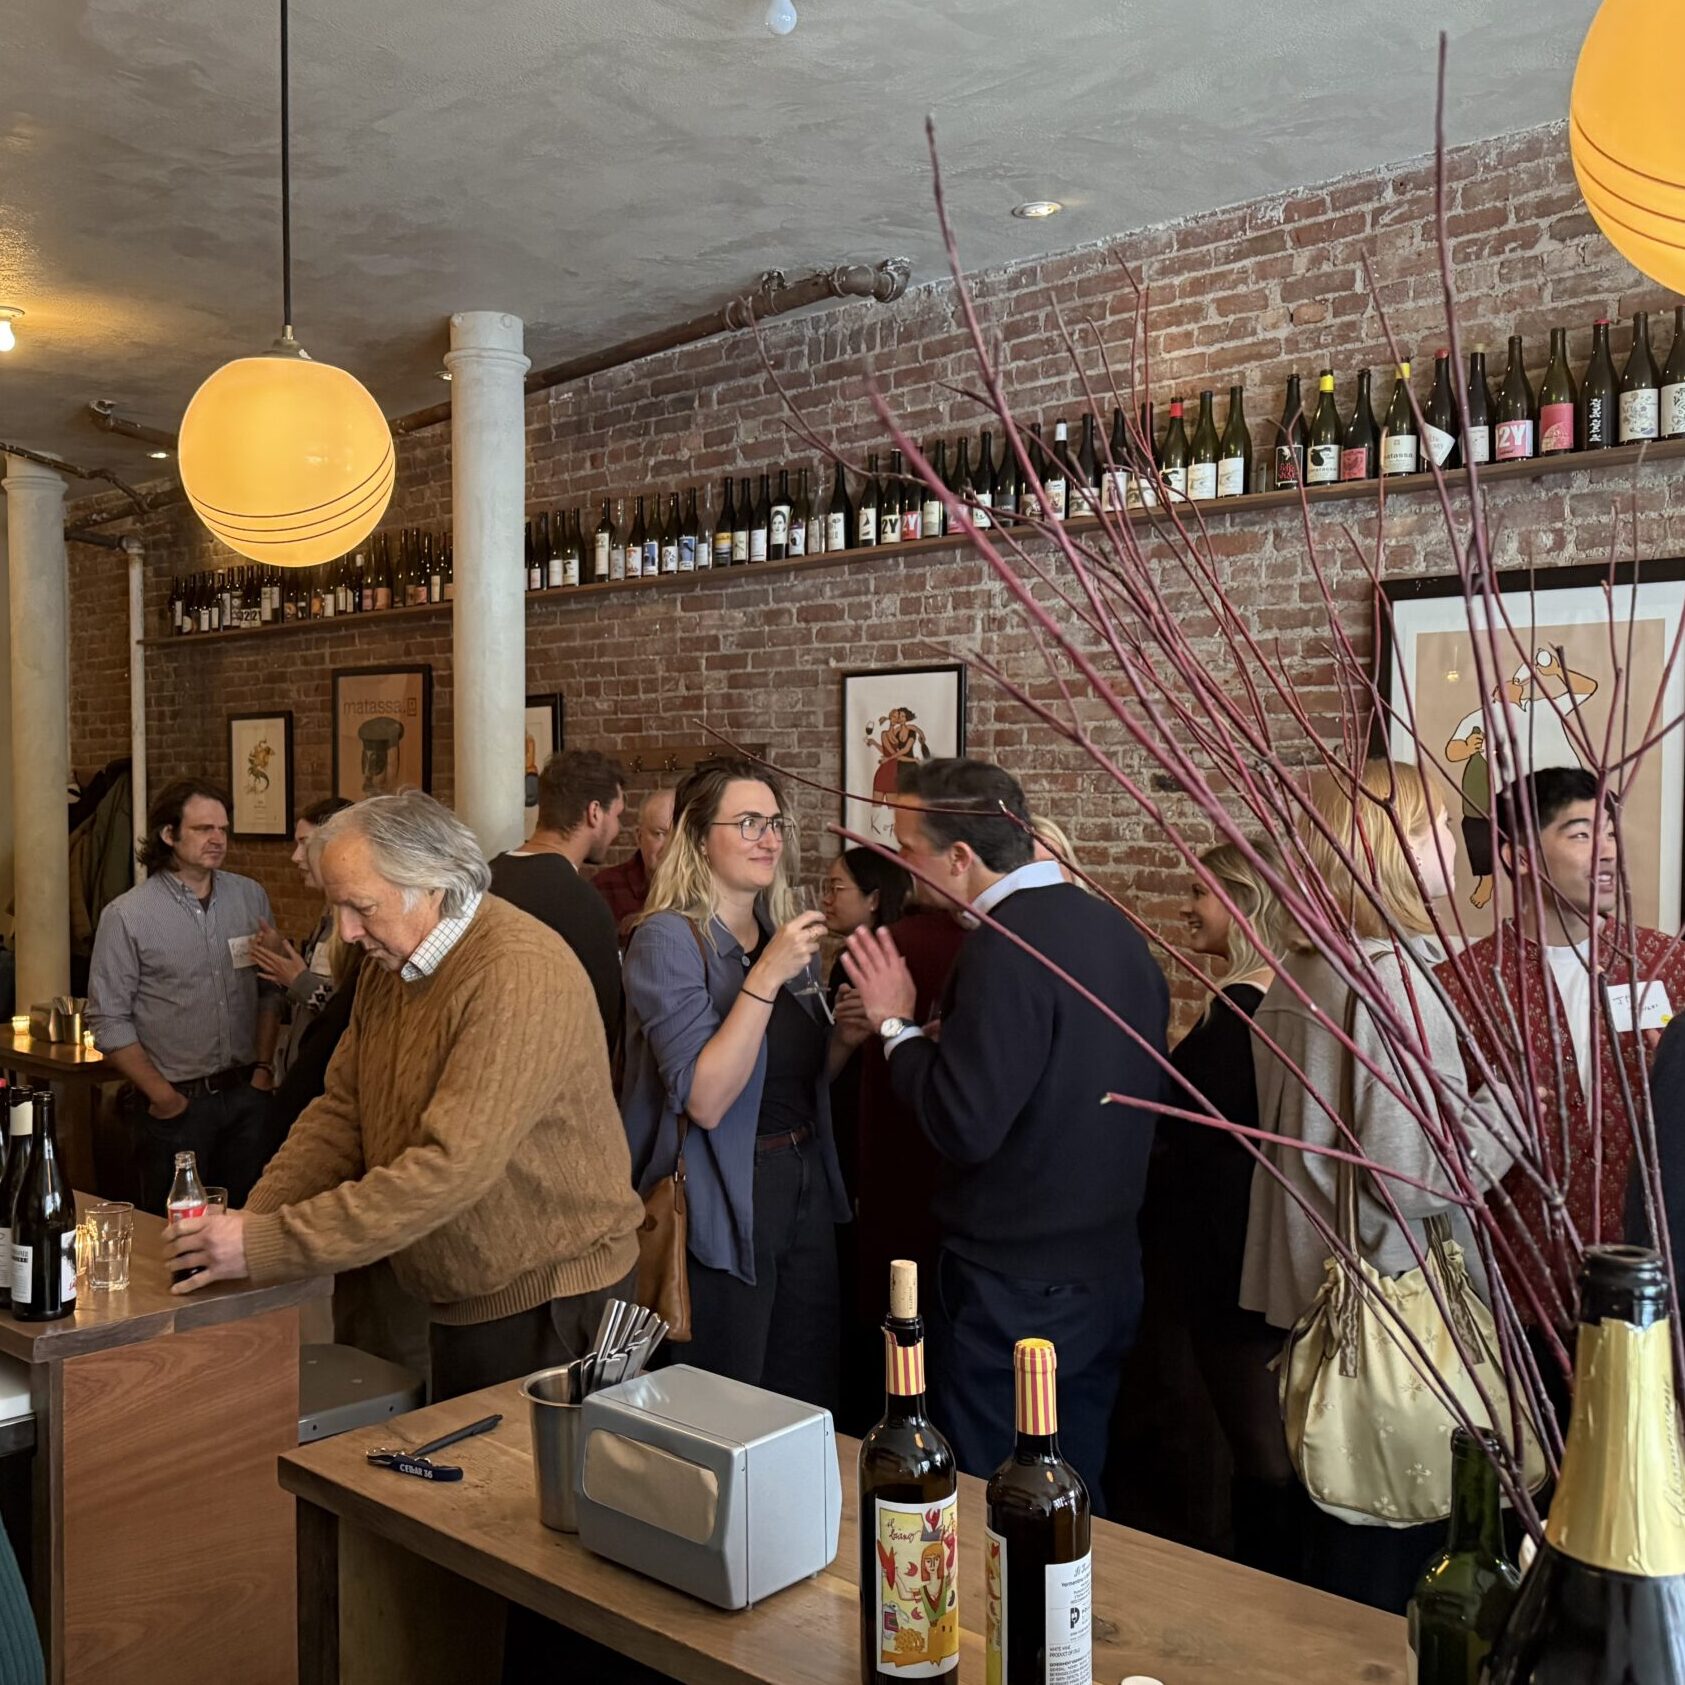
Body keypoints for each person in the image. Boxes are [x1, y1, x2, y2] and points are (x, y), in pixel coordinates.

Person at [160, 791, 645, 1405]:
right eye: (337, 907)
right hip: (459, 1290)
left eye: (361, 907)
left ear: (434, 886)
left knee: (517, 1497)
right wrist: (254, 1219)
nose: (347, 931)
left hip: (551, 1305)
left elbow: (448, 1168)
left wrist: (264, 1245)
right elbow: (342, 1112)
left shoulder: (516, 973)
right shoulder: (391, 963)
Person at [841, 757, 1168, 1504]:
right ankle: (1066, 1622)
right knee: (1072, 1489)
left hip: (1016, 1285)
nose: (899, 862)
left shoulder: (1002, 945)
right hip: (1108, 1267)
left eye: (906, 844)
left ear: (960, 856)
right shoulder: (1112, 930)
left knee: (1001, 1496)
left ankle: (999, 1626)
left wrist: (894, 1025)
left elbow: (963, 1124)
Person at [1241, 759, 1518, 1613]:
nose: (1451, 840)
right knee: (1409, 1575)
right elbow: (1407, 1183)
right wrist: (1505, 1114)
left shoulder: (1301, 970)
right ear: (1379, 845)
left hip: (1318, 1312)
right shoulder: (1392, 978)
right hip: (1394, 1325)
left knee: (1336, 1563)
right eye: (1434, 825)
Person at [619, 759, 850, 1411]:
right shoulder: (667, 940)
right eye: (746, 822)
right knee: (729, 1397)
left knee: (803, 1391)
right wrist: (765, 977)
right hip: (723, 1187)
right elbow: (707, 1097)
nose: (767, 837)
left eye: (773, 823)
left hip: (801, 1182)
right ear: (697, 838)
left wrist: (846, 1041)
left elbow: (783, 1078)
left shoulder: (778, 936)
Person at [1438, 765, 1685, 1347]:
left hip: (1653, 1285)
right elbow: (1442, 1151)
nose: (1606, 853)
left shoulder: (1666, 964)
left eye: (1610, 834)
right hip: (1515, 1295)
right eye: (1580, 834)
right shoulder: (1461, 986)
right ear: (1518, 856)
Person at [1137, 839, 1307, 1578]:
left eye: (1202, 893)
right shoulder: (1267, 999)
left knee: (1254, 1449)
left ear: (1243, 903)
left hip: (1227, 1263)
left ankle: (1266, 1588)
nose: (1186, 907)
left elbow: (1211, 1147)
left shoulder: (1248, 1008)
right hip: (1233, 1255)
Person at [87, 778, 281, 1212]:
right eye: (203, 829)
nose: (217, 839)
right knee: (172, 1235)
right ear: (169, 835)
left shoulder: (250, 897)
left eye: (223, 830)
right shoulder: (127, 915)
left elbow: (269, 989)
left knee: (244, 1226)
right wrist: (163, 1097)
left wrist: (264, 1071)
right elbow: (108, 1020)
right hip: (175, 1106)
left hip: (245, 1094)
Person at [819, 846, 911, 1432]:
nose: (825, 899)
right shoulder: (853, 959)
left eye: (836, 889)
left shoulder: (859, 965)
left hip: (862, 1138)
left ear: (874, 898)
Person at [489, 750, 627, 1045]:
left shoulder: (483, 879)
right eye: (617, 816)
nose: (618, 828)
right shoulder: (585, 907)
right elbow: (603, 1027)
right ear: (594, 813)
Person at [251, 796, 354, 1076]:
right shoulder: (326, 913)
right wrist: (282, 958)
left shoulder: (356, 925)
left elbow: (354, 1014)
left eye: (305, 843)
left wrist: (300, 982)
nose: (296, 857)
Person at [593, 786, 676, 938]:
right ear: (639, 837)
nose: (670, 846)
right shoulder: (603, 888)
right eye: (660, 834)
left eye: (678, 835)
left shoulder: (708, 889)